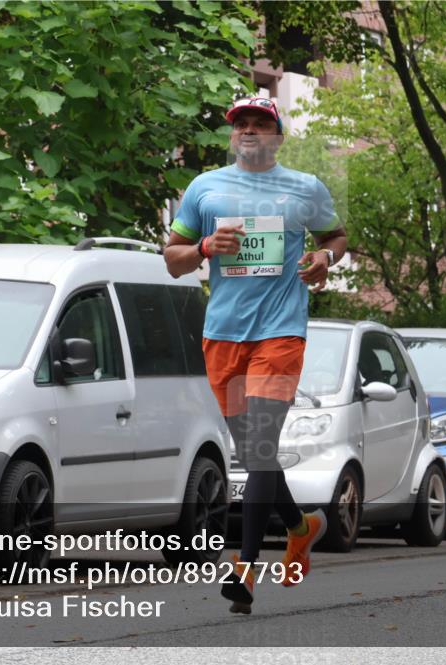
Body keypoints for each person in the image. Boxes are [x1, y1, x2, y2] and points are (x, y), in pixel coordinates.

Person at [164, 97, 348, 614]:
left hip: (281, 332)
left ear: (277, 135)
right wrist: (203, 248)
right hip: (223, 334)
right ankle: (301, 525)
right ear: (232, 136)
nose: (249, 130)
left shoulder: (305, 188)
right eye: (240, 124)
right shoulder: (204, 188)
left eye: (260, 123)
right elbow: (173, 261)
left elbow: (336, 236)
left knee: (262, 442)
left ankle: (243, 568)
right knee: (253, 452)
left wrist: (324, 257)